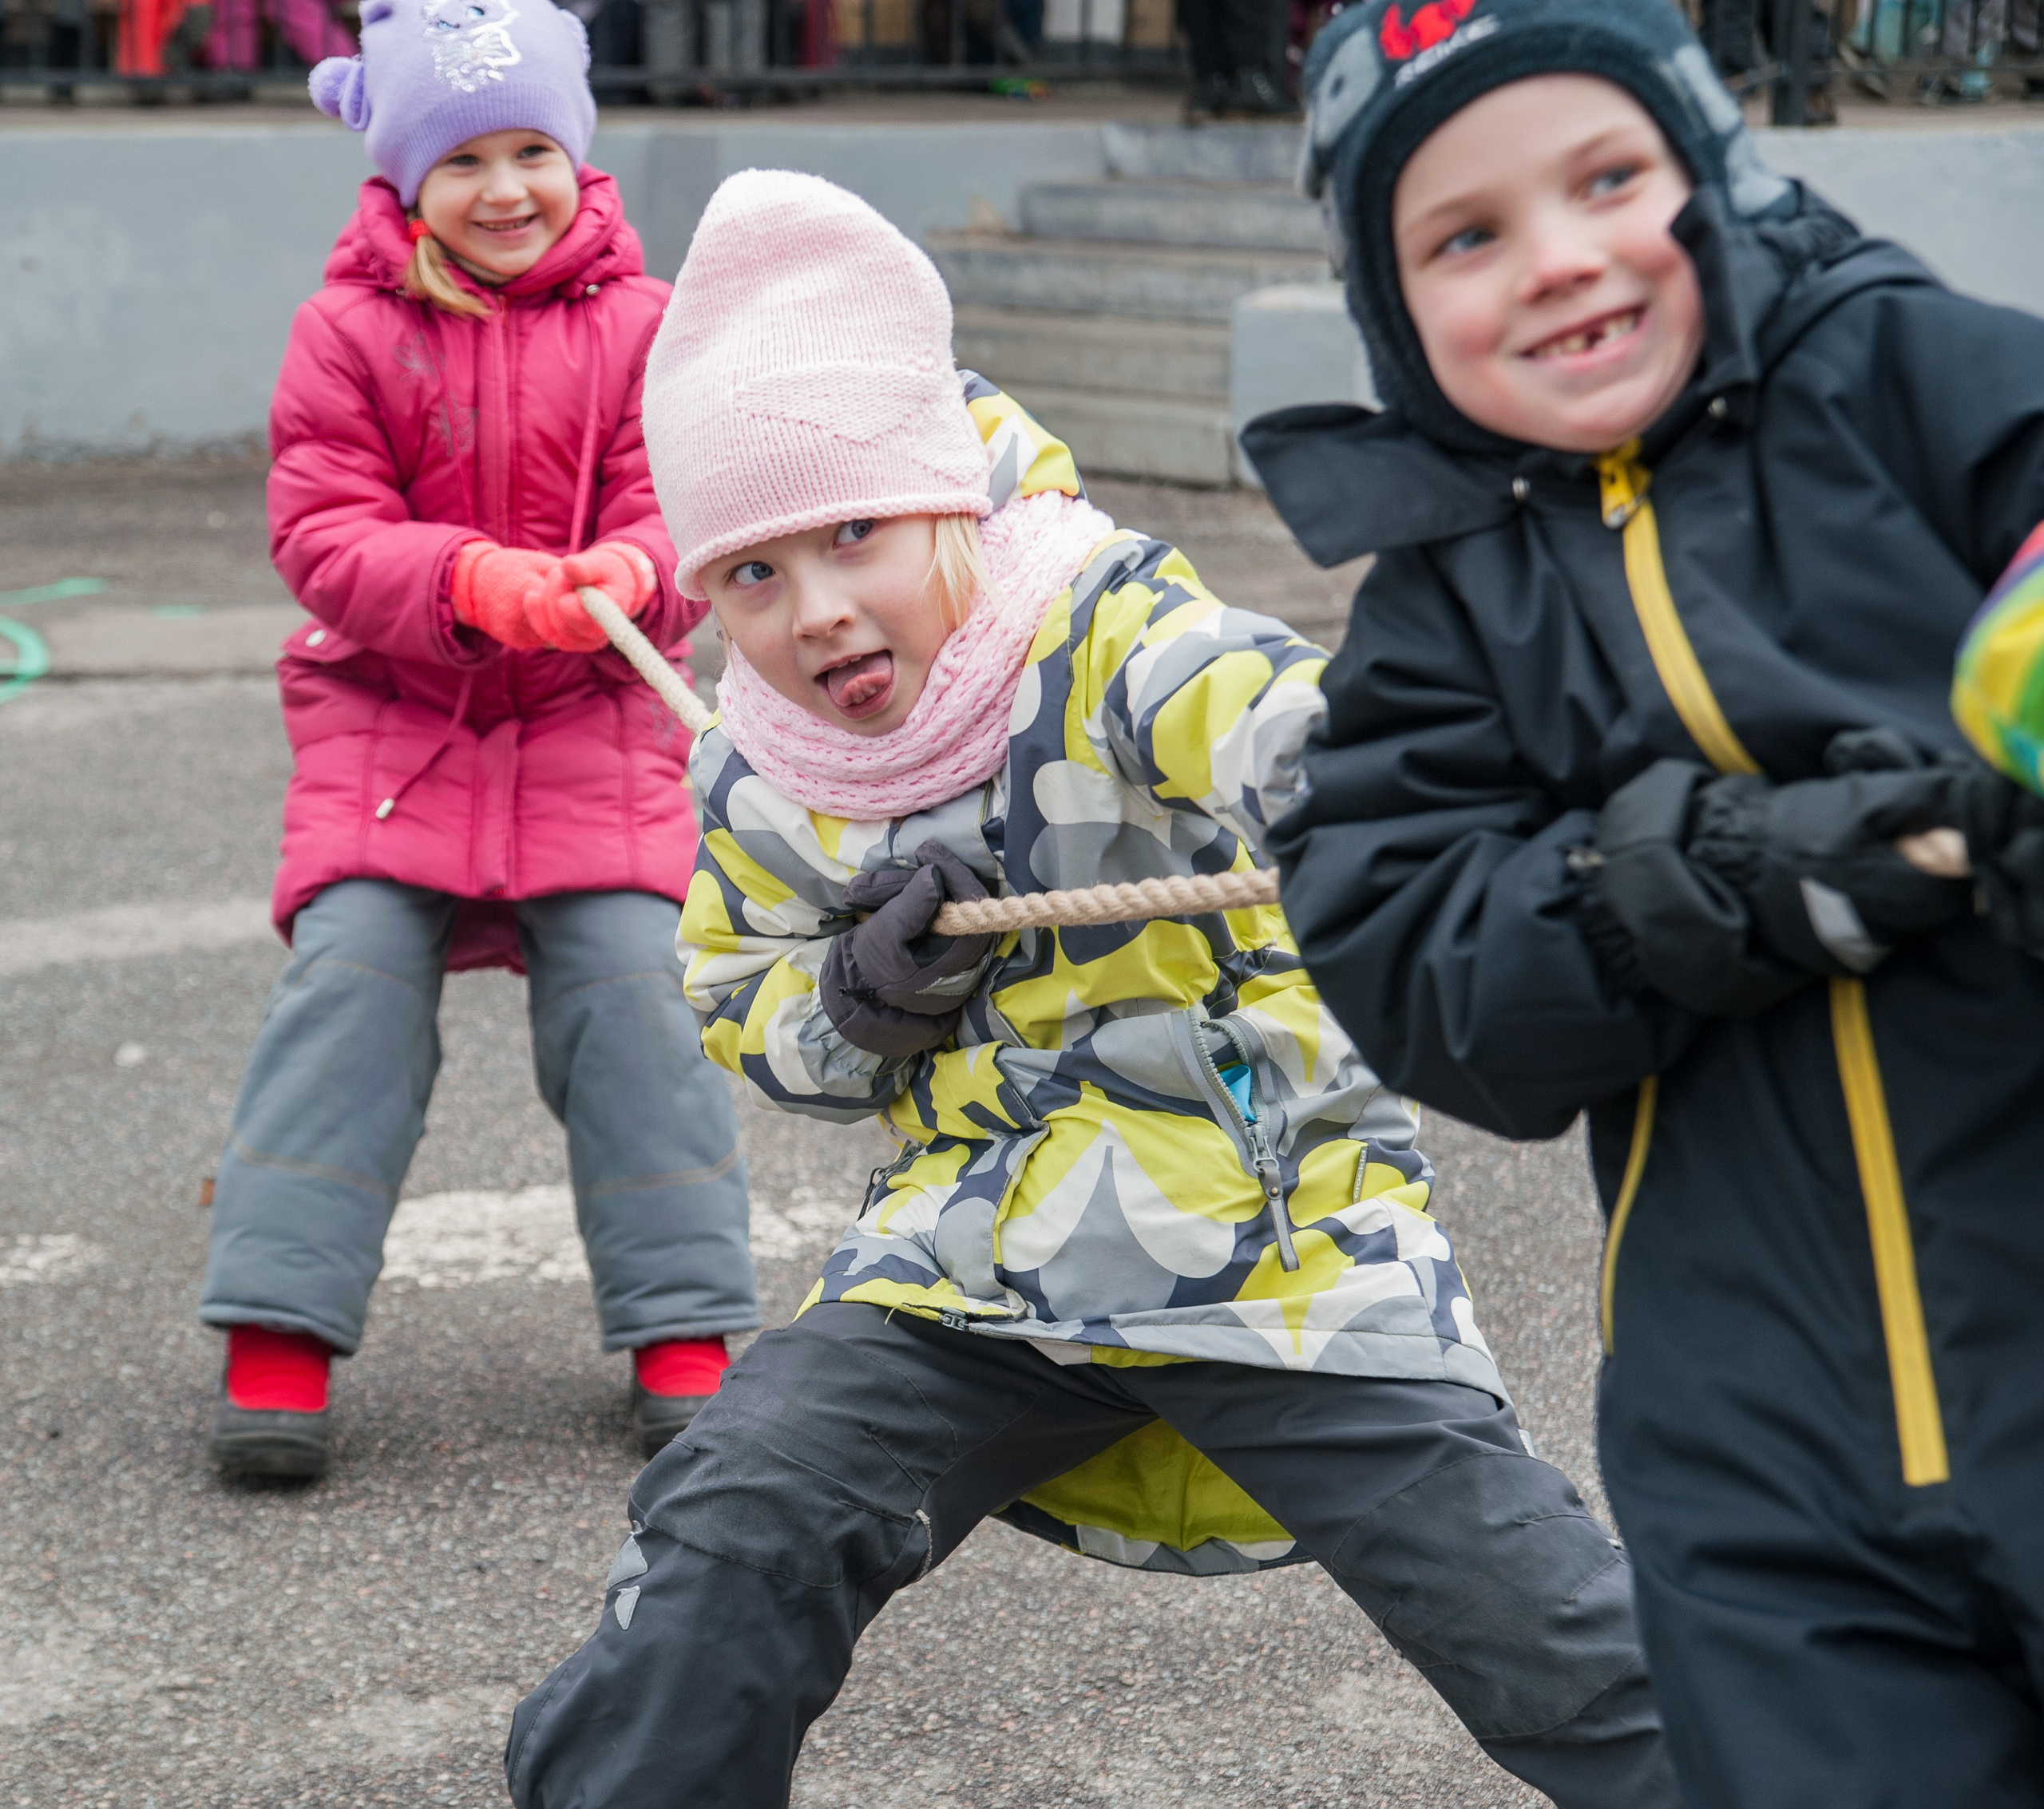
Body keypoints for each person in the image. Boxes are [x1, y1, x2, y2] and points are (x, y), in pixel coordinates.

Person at [502, 168, 1680, 1809]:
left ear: (943, 498)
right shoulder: (764, 764)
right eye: (751, 575)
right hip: (968, 1254)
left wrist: (1429, 800)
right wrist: (848, 996)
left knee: (1547, 1629)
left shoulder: (1102, 618)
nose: (818, 608)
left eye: (853, 531)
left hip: (1269, 1238)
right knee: (740, 1504)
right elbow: (738, 993)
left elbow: (1286, 729)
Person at [1246, 0, 2044, 1801]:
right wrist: (1729, 881)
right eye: (1461, 235)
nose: (1557, 262)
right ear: (1387, 306)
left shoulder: (1908, 373)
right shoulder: (1442, 605)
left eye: (1605, 178)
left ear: (1711, 170)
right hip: (1765, 1471)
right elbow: (1417, 961)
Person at [197, 0, 757, 1482]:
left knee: (643, 993)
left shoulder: (652, 323)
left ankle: (685, 1326)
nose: (507, 188)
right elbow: (321, 530)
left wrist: (639, 573)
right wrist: (466, 582)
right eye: (465, 161)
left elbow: (676, 499)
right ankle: (280, 1330)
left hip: (594, 723)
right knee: (349, 989)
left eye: (533, 150)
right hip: (396, 727)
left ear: (576, 152)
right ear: (399, 178)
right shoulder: (348, 328)